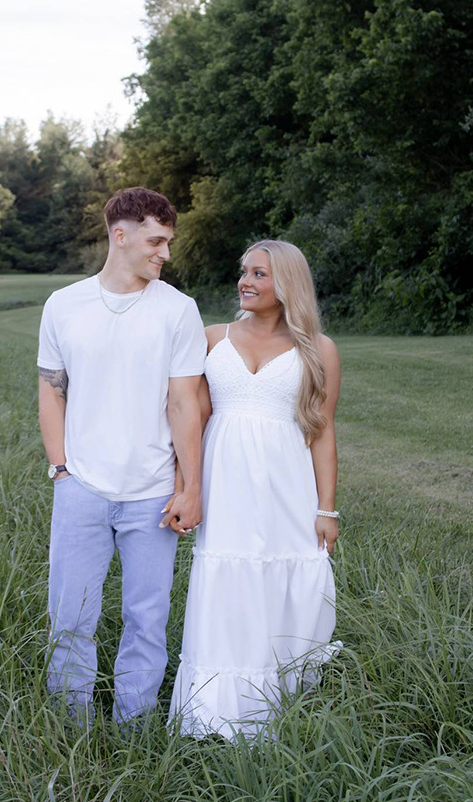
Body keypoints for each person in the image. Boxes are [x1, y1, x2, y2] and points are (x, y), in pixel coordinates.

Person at [37, 187, 206, 725]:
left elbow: (184, 402)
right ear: (121, 235)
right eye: (157, 241)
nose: (165, 253)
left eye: (168, 242)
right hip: (81, 487)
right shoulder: (63, 305)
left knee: (147, 617)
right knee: (71, 617)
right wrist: (61, 469)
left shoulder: (178, 310)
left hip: (153, 493)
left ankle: (135, 726)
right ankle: (71, 726)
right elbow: (51, 390)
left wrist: (191, 486)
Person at [166, 239, 342, 739]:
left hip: (287, 483)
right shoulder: (211, 338)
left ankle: (282, 701)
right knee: (227, 579)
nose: (245, 281)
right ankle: (218, 716)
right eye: (244, 271)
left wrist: (327, 509)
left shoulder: (319, 349)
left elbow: (322, 430)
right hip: (226, 483)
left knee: (288, 580)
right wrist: (185, 487)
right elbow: (192, 419)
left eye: (259, 274)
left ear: (286, 283)